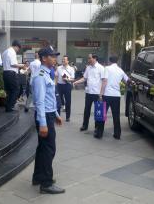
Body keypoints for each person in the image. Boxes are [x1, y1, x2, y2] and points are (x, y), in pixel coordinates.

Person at [32, 46, 65, 194]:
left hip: (49, 114)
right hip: (44, 116)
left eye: (55, 56)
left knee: (42, 148)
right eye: (52, 56)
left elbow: (49, 99)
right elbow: (39, 102)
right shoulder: (40, 76)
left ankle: (38, 177)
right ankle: (46, 183)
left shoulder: (46, 73)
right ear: (44, 58)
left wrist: (57, 115)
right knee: (49, 150)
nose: (55, 58)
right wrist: (43, 124)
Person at [96, 56, 129, 139]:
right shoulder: (120, 70)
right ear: (117, 61)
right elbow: (127, 80)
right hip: (116, 96)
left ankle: (99, 134)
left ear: (109, 61)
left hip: (107, 95)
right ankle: (117, 134)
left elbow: (104, 81)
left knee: (103, 115)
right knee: (116, 116)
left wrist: (100, 94)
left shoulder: (107, 68)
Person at [73, 54, 105, 133]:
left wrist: (101, 94)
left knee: (98, 111)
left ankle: (97, 127)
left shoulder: (101, 68)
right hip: (89, 92)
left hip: (97, 94)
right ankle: (85, 125)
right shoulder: (88, 68)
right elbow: (84, 78)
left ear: (94, 58)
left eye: (89, 58)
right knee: (86, 110)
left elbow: (104, 81)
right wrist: (76, 82)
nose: (88, 60)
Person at [2, 40, 25, 112]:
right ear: (16, 46)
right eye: (18, 48)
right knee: (16, 90)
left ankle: (8, 106)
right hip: (11, 73)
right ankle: (10, 106)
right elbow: (13, 64)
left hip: (5, 72)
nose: (18, 50)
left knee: (8, 90)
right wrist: (22, 65)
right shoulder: (12, 52)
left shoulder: (5, 52)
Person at [57, 56, 75, 122]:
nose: (63, 61)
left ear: (68, 61)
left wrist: (67, 79)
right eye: (62, 59)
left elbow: (73, 79)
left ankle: (68, 117)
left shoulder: (71, 69)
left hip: (67, 85)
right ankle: (58, 116)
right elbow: (56, 76)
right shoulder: (59, 68)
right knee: (58, 101)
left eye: (64, 60)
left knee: (68, 101)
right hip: (59, 86)